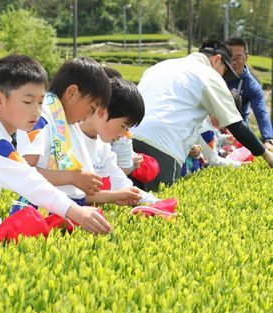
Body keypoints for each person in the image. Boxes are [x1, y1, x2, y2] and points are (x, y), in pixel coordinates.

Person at [0, 55, 111, 247]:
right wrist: (76, 212)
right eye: (27, 101)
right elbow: (31, 182)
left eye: (40, 102)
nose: (36, 111)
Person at [129, 39, 273, 192]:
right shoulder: (208, 74)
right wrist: (267, 155)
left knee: (128, 203)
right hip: (164, 146)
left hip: (129, 140)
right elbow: (236, 125)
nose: (222, 78)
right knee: (158, 209)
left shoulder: (160, 66)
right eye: (224, 72)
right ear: (217, 59)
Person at [14, 57, 111, 210]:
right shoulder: (39, 118)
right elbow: (23, 172)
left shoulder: (69, 124)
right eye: (91, 108)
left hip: (64, 210)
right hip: (39, 213)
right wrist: (72, 177)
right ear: (72, 93)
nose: (89, 115)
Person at [78, 76, 159, 205]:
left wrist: (156, 202)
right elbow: (68, 194)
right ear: (102, 112)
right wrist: (111, 196)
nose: (123, 134)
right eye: (122, 126)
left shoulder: (102, 145)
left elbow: (120, 182)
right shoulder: (69, 136)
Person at [226, 36, 273, 150]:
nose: (233, 62)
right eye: (230, 57)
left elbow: (261, 113)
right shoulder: (216, 73)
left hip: (238, 130)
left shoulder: (251, 85)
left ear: (246, 58)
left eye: (239, 57)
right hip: (214, 126)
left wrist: (268, 139)